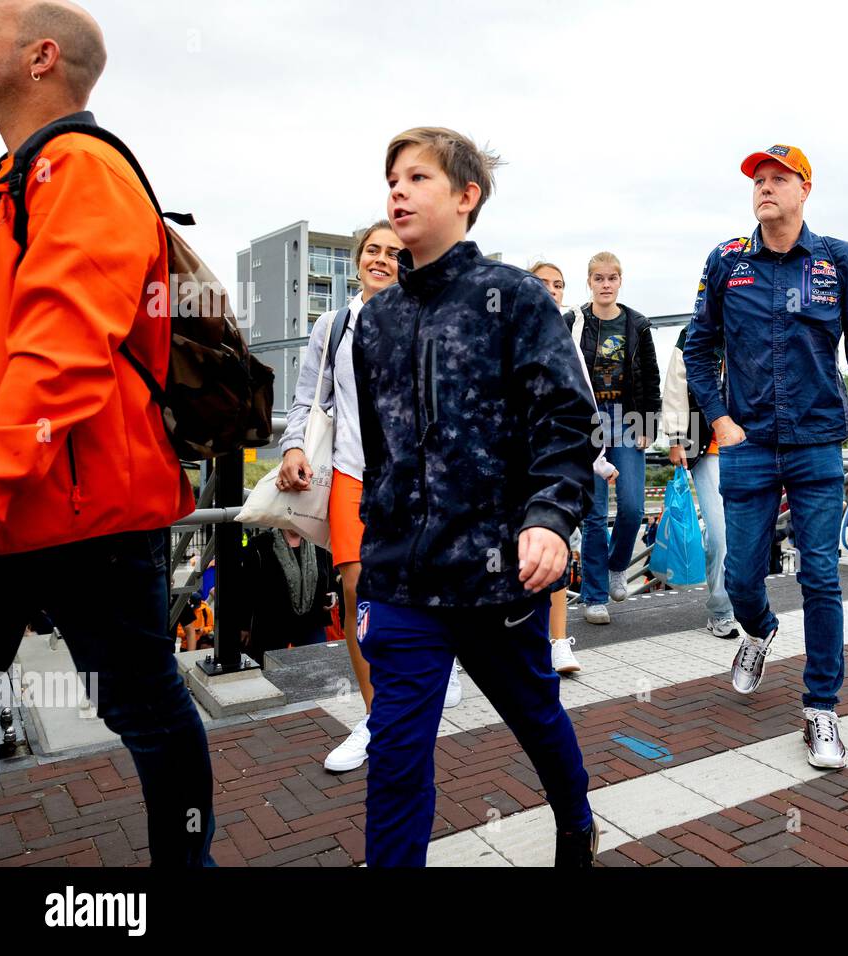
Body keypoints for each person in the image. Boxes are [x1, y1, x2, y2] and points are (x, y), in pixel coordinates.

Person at [0, 0, 215, 865]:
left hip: (83, 505)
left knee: (145, 705)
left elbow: (60, 349)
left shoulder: (80, 168)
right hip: (42, 494)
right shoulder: (20, 177)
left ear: (40, 56)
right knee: (147, 704)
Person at [353, 126, 599, 867]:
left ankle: (575, 818)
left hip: (495, 575)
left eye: (418, 177)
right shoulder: (375, 319)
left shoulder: (516, 298)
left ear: (467, 197)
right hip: (402, 577)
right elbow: (379, 446)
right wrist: (375, 535)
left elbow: (564, 418)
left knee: (535, 716)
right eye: (392, 177)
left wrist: (551, 518)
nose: (398, 189)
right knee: (395, 756)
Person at [684, 144, 848, 769]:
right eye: (758, 180)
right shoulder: (726, 261)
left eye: (779, 179)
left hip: (817, 442)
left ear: (805, 190)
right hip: (748, 444)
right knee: (741, 577)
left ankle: (821, 708)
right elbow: (697, 348)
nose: (765, 188)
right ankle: (759, 629)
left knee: (821, 575)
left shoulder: (837, 261)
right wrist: (720, 419)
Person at [276, 220, 463, 772]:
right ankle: (377, 717)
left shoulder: (428, 316)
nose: (381, 258)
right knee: (358, 589)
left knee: (424, 584)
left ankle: (442, 662)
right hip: (353, 472)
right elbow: (305, 398)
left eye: (392, 251)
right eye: (372, 251)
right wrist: (291, 449)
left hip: (418, 478)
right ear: (358, 260)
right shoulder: (333, 326)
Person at [531, 261, 618, 674]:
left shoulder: (568, 346)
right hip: (511, 468)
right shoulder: (500, 336)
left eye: (559, 285)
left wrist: (598, 461)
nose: (552, 291)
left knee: (556, 550)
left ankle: (558, 642)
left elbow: (586, 408)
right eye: (543, 283)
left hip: (554, 467)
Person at [566, 252, 661, 626]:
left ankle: (617, 567)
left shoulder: (637, 324)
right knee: (594, 514)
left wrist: (649, 424)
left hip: (627, 418)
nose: (606, 284)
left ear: (621, 281)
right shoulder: (574, 321)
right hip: (588, 422)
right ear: (589, 281)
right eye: (599, 278)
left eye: (612, 278)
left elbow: (650, 377)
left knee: (633, 507)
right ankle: (593, 596)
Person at [661, 326, 739, 638]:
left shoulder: (758, 319)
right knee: (719, 533)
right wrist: (676, 438)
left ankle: (747, 603)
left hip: (754, 447)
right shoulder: (692, 333)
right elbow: (676, 387)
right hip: (708, 447)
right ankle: (721, 610)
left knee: (747, 533)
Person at [235, 528, 340, 664]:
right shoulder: (260, 545)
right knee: (272, 675)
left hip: (312, 622)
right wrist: (244, 625)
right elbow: (247, 588)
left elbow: (329, 574)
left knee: (318, 668)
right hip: (272, 627)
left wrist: (333, 593)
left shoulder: (318, 542)